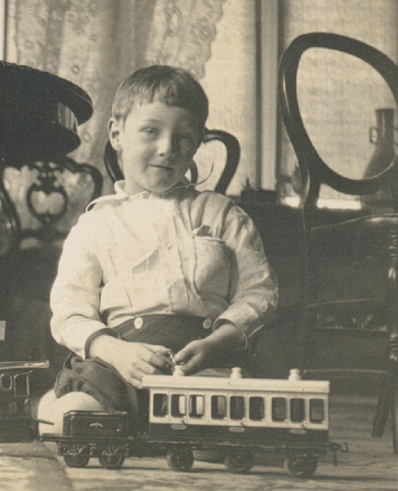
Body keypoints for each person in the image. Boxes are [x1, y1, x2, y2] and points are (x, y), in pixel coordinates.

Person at [37, 65, 278, 434]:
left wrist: (217, 342)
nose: (167, 149)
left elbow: (259, 292)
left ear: (197, 143)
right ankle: (58, 408)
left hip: (203, 364)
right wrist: (112, 350)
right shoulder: (97, 223)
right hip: (119, 366)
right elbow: (69, 311)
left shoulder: (222, 214)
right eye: (151, 131)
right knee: (70, 421)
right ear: (117, 133)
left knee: (226, 436)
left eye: (183, 137)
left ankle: (161, 429)